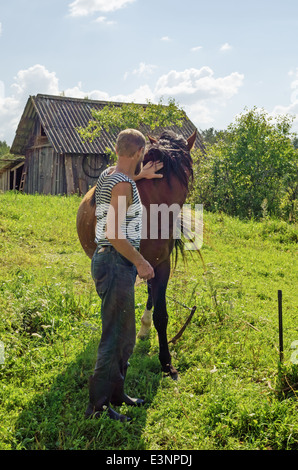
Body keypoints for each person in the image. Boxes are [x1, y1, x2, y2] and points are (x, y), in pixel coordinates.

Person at [85, 128, 163, 422]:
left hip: (115, 263)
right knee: (114, 336)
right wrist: (142, 262)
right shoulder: (121, 185)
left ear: (118, 150)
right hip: (116, 261)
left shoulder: (110, 175)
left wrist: (139, 177)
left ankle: (117, 393)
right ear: (140, 153)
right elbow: (114, 233)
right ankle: (98, 407)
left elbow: (120, 175)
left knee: (125, 335)